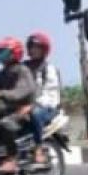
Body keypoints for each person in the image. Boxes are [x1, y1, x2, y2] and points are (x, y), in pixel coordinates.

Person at [0, 37, 36, 175]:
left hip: (24, 110)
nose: (0, 55)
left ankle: (12, 158)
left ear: (14, 53)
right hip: (9, 109)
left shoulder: (22, 70)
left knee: (4, 124)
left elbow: (22, 91)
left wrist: (0, 94)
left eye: (3, 52)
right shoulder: (4, 72)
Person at [23, 31, 61, 163]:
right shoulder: (25, 67)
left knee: (35, 113)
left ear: (44, 50)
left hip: (47, 108)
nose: (33, 50)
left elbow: (51, 94)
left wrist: (32, 105)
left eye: (37, 47)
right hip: (27, 105)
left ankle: (38, 149)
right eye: (31, 46)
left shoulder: (49, 69)